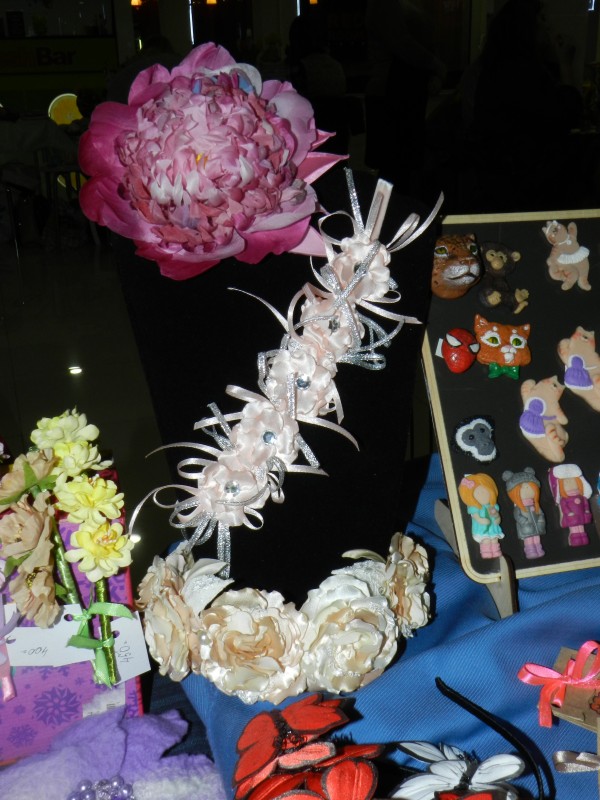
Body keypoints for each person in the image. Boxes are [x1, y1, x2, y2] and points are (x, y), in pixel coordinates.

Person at [468, 0, 587, 211]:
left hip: (499, 185)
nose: (548, 26)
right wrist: (566, 64)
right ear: (525, 27)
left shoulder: (496, 70)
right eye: (541, 19)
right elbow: (566, 115)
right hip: (523, 190)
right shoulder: (520, 75)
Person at [364, 0, 446, 193]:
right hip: (395, 92)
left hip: (403, 90)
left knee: (399, 169)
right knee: (397, 168)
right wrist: (435, 65)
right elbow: (402, 43)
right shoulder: (386, 6)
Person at [459, 472, 504, 559]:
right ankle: (486, 553)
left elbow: (497, 515)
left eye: (485, 491)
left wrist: (497, 519)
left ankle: (496, 552)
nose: (482, 494)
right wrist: (481, 520)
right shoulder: (475, 507)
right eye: (478, 493)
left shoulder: (493, 506)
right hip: (482, 528)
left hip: (493, 528)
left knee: (495, 539)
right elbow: (476, 517)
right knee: (486, 540)